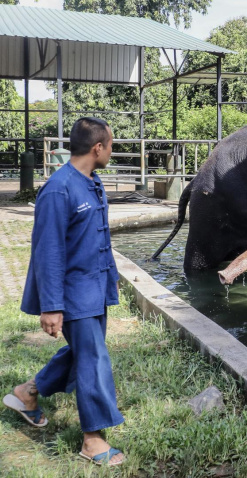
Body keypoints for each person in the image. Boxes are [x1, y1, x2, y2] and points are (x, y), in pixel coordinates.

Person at [2, 117, 125, 465]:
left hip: (95, 286)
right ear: (97, 148)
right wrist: (52, 306)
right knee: (93, 359)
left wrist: (111, 274)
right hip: (73, 293)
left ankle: (27, 393)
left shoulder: (92, 182)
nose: (112, 152)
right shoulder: (59, 189)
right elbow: (48, 252)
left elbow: (99, 236)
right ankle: (93, 440)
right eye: (111, 146)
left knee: (85, 352)